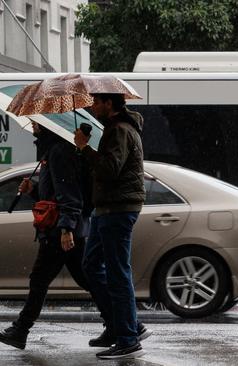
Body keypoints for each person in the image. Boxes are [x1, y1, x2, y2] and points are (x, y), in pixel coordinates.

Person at [0, 122, 94, 350]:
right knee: (87, 279)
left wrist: (66, 228)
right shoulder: (52, 151)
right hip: (62, 226)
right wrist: (33, 191)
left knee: (40, 279)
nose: (32, 125)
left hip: (59, 230)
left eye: (35, 123)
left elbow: (69, 194)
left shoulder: (60, 152)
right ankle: (123, 323)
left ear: (45, 126)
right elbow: (53, 196)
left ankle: (21, 330)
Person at [74, 93, 148, 359]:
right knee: (91, 266)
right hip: (106, 208)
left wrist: (85, 148)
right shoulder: (114, 129)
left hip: (118, 208)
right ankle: (119, 325)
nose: (92, 107)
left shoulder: (120, 130)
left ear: (109, 103)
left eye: (96, 102)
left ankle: (128, 337)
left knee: (117, 272)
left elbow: (109, 170)